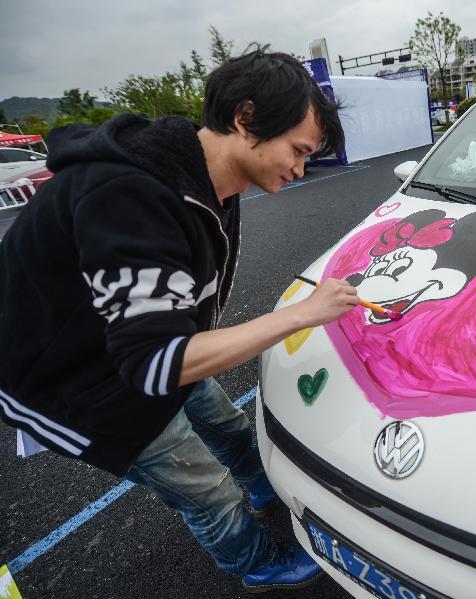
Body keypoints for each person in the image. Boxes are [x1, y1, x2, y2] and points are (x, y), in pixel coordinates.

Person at [0, 46, 357, 592]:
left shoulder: (208, 176)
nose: (300, 167)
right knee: (204, 485)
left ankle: (265, 488)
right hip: (78, 377)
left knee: (226, 422)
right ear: (246, 118)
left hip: (146, 342)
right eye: (298, 149)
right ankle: (253, 561)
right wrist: (304, 314)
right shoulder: (128, 193)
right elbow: (154, 366)